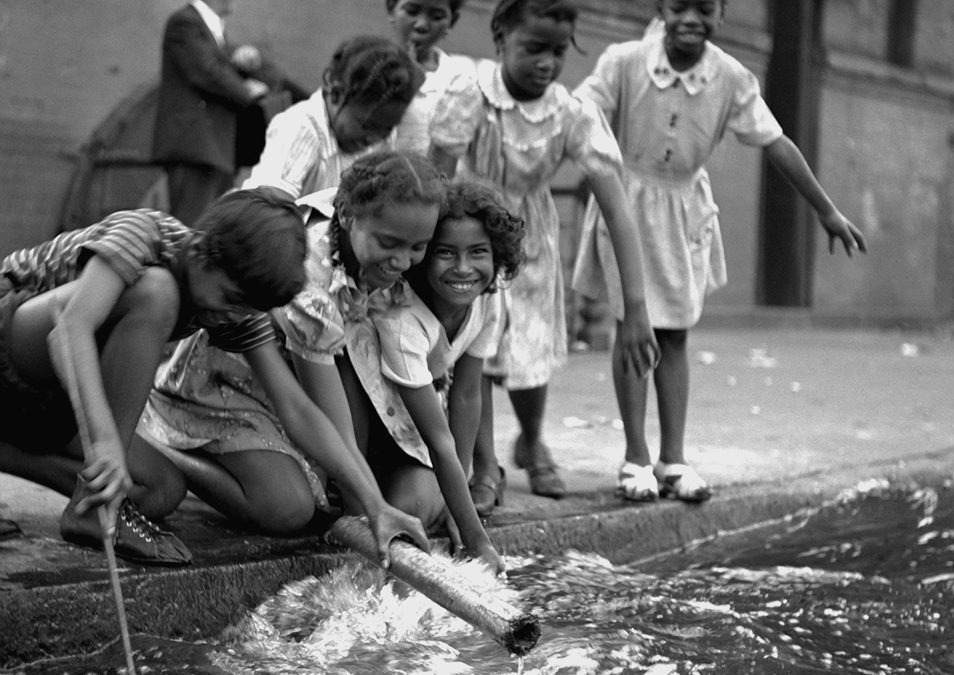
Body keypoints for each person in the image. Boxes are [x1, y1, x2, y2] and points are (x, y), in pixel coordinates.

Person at [572, 0, 868, 502]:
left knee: (677, 335)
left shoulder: (730, 77)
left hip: (684, 211)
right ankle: (636, 456)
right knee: (633, 327)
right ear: (662, 8)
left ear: (722, 15)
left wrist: (826, 210)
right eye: (680, 6)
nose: (692, 18)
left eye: (705, 8)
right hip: (628, 205)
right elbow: (579, 111)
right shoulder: (624, 61)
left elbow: (776, 142)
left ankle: (674, 458)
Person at [137, 152, 444, 567]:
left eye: (417, 248)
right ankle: (162, 447)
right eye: (390, 244)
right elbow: (311, 410)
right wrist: (371, 509)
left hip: (283, 387)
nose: (403, 261)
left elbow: (321, 399)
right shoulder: (308, 279)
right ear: (349, 216)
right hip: (220, 386)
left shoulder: (375, 228)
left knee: (347, 494)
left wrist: (373, 505)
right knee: (288, 509)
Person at [0, 188, 307, 566]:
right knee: (158, 293)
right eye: (231, 298)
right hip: (14, 345)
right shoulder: (144, 233)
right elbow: (67, 332)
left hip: (52, 401)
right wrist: (106, 444)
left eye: (248, 307)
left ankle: (62, 489)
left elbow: (295, 406)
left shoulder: (228, 305)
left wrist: (372, 505)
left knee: (161, 489)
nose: (236, 314)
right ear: (199, 253)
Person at [428, 0, 659, 499]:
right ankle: (484, 465)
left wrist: (635, 306)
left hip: (530, 239)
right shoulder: (471, 93)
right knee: (475, 347)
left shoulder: (571, 113)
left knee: (530, 348)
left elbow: (618, 208)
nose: (546, 63)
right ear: (501, 37)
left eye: (557, 52)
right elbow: (437, 175)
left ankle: (533, 441)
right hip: (469, 231)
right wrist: (428, 250)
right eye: (533, 48)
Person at [343, 182, 524, 570]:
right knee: (377, 511)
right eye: (446, 253)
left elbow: (466, 395)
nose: (463, 269)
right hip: (368, 422)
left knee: (419, 506)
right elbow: (439, 438)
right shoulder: (402, 318)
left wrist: (455, 501)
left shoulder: (488, 296)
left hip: (413, 432)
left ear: (497, 256)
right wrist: (475, 537)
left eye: (478, 253)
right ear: (422, 258)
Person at [241, 35, 425, 200]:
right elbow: (268, 208)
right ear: (336, 94)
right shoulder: (301, 128)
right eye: (367, 126)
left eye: (387, 129)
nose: (375, 138)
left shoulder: (378, 139)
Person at [152, 0, 270, 226]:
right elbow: (206, 71)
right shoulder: (185, 22)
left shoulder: (212, 28)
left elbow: (214, 66)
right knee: (191, 228)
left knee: (205, 229)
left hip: (213, 149)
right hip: (195, 148)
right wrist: (247, 92)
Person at [385, 0, 473, 155]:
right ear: (391, 9)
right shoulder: (368, 65)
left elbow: (448, 156)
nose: (422, 25)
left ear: (452, 21)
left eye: (436, 16)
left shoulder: (457, 80)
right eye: (412, 11)